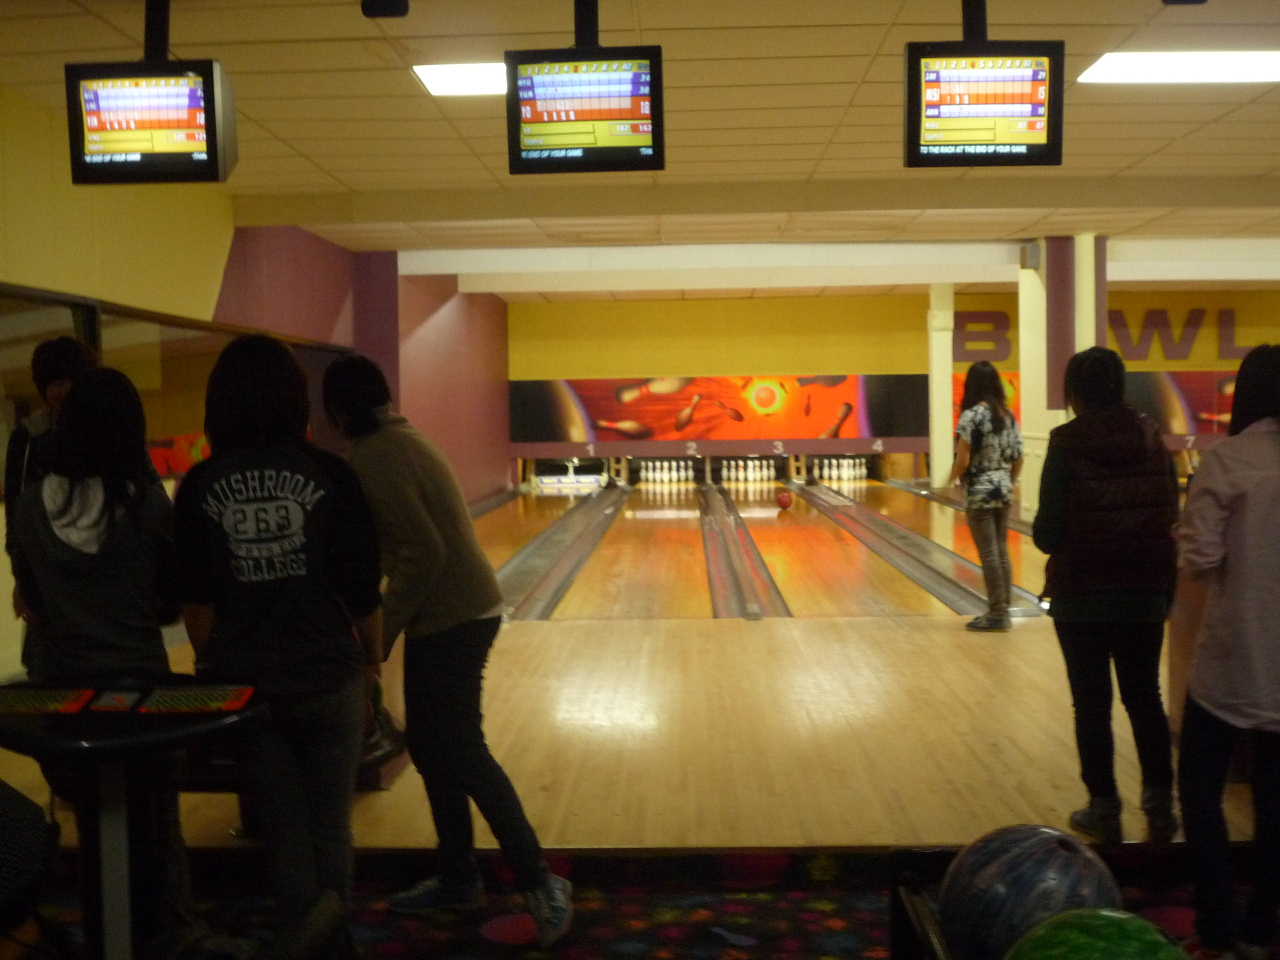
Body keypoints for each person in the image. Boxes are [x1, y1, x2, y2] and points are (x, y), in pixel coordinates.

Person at [321, 354, 573, 948]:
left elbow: (424, 553)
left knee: (461, 750)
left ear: (339, 411)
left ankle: (540, 881)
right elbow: (405, 546)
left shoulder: (377, 456)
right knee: (434, 750)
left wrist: (379, 636)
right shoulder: (401, 440)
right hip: (453, 612)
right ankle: (459, 876)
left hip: (453, 616)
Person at [174, 335, 382, 959]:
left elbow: (196, 603)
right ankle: (332, 943)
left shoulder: (200, 484)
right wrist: (371, 669)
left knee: (286, 834)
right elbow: (362, 590)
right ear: (296, 399)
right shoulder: (332, 475)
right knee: (331, 826)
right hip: (328, 675)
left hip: (249, 687)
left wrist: (216, 665)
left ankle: (301, 939)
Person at [8, 367, 196, 958]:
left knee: (94, 829)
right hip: (141, 693)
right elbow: (169, 601)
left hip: (64, 697)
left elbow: (32, 600)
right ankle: (164, 937)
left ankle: (103, 935)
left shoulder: (31, 504)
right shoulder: (145, 503)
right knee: (156, 832)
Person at [1031, 346, 1179, 846]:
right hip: (1144, 590)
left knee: (1091, 704)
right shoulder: (1152, 437)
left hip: (1082, 593)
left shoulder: (1065, 442)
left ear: (1074, 392)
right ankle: (1161, 804)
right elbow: (1170, 514)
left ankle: (1103, 805)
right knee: (1145, 696)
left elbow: (1047, 533)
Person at [1173, 344, 1280, 960]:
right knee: (1275, 802)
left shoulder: (1227, 461)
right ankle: (1264, 926)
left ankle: (1216, 926)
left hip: (1233, 663)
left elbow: (1200, 559)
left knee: (1200, 790)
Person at [4, 336, 97, 667]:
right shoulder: (29, 436)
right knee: (48, 661)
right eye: (53, 383)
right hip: (45, 573)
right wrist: (22, 577)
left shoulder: (103, 429)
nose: (60, 391)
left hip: (93, 572)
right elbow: (15, 514)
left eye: (67, 381)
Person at [946, 360, 1023, 631]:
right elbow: (1018, 457)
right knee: (1001, 551)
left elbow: (963, 460)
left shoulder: (971, 416)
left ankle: (997, 613)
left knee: (989, 553)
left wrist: (949, 481)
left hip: (980, 491)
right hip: (1003, 488)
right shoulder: (1008, 415)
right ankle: (1003, 610)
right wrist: (1007, 481)